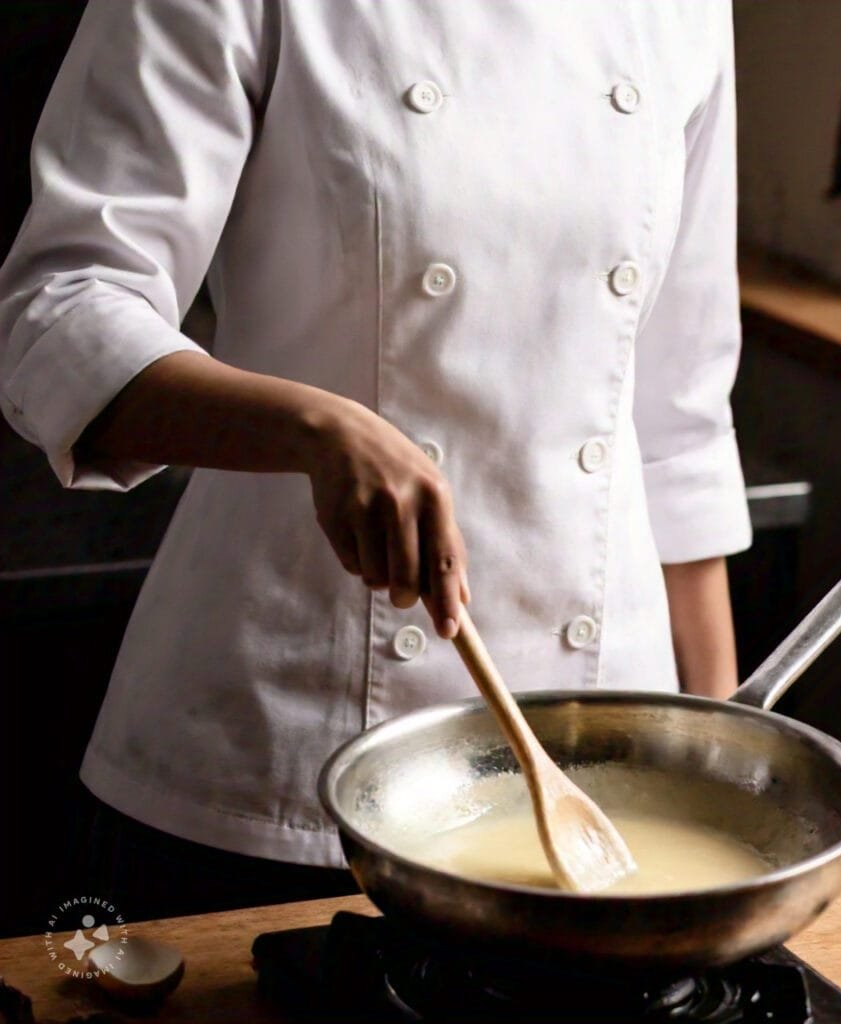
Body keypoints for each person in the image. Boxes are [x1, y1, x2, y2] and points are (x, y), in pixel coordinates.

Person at [0, 0, 751, 914]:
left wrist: (724, 773)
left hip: (607, 770)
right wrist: (313, 430)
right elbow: (62, 310)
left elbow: (677, 417)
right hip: (283, 765)